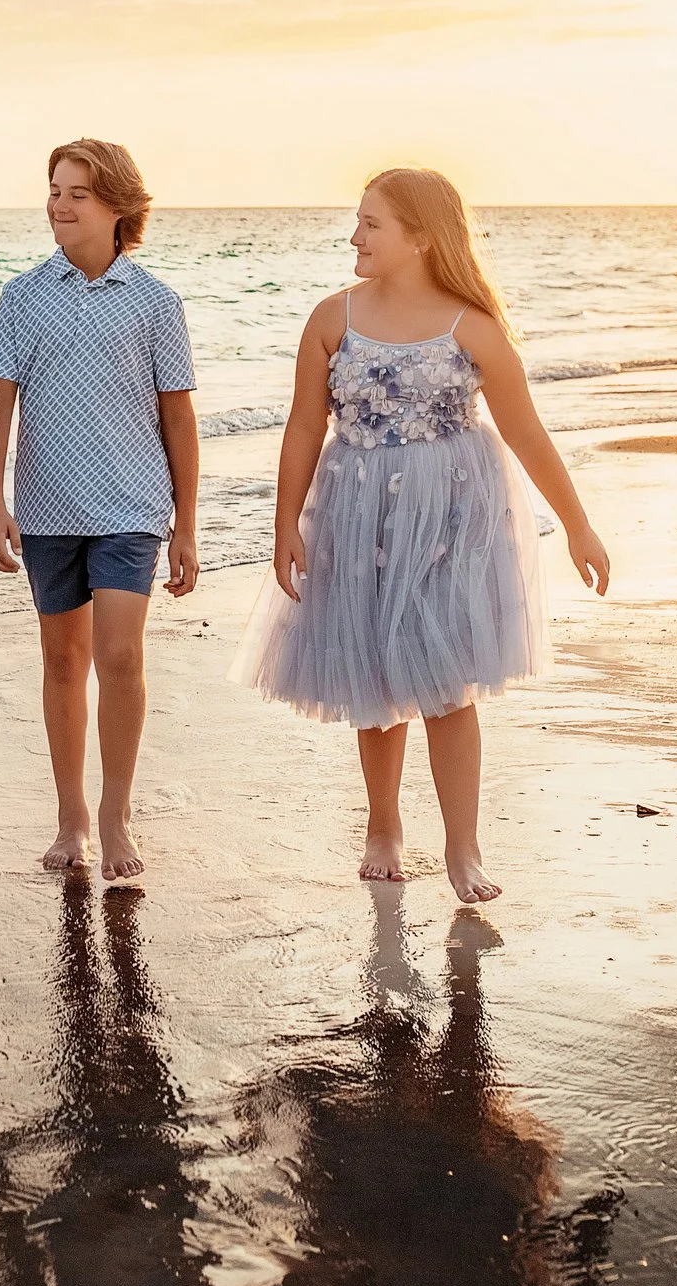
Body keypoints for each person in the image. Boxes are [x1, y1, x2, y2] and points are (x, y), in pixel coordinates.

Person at [234, 167, 610, 904]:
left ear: (421, 237)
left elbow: (525, 431)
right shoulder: (330, 319)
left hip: (452, 518)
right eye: (357, 219)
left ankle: (463, 846)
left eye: (371, 222)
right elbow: (306, 426)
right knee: (373, 672)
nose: (355, 235)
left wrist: (577, 523)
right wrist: (284, 523)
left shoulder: (471, 327)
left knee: (447, 680)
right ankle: (382, 825)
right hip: (356, 512)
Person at [0, 139, 198, 881]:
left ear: (118, 208)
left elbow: (178, 419)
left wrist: (187, 524)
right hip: (46, 509)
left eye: (77, 193)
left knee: (121, 654)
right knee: (63, 659)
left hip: (132, 506)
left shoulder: (156, 303)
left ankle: (116, 812)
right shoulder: (21, 297)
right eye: (54, 190)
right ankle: (72, 816)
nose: (59, 205)